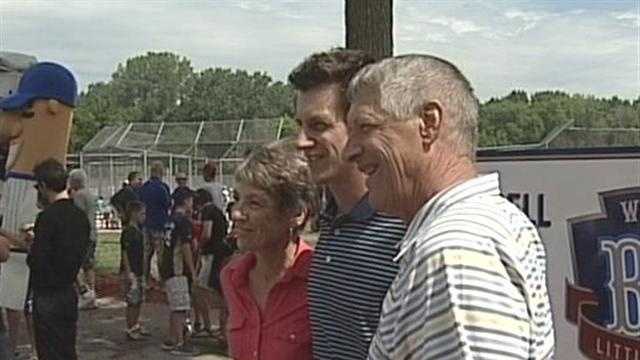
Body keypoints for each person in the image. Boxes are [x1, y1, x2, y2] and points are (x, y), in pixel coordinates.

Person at [344, 54, 556, 359]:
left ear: (428, 123)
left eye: (366, 126)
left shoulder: (455, 250)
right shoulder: (477, 227)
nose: (350, 150)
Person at [289, 48, 407, 359]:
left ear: (360, 124)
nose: (301, 141)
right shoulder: (332, 221)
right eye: (299, 125)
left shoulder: (406, 232)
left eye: (318, 126)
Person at [221, 141, 317, 360]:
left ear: (296, 214)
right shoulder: (232, 277)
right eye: (237, 199)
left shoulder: (320, 282)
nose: (236, 214)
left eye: (254, 203)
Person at [28, 158, 90, 360]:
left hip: (47, 292)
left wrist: (31, 247)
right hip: (68, 290)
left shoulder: (47, 217)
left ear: (44, 186)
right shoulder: (80, 217)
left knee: (49, 351)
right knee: (66, 347)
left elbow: (37, 260)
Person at [158, 190, 198, 356]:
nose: (192, 204)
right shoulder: (183, 222)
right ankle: (179, 342)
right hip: (177, 268)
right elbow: (185, 247)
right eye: (191, 200)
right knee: (180, 307)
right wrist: (192, 271)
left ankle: (172, 337)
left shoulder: (169, 220)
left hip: (167, 266)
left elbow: (161, 245)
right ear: (186, 201)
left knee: (176, 305)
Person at [191, 188, 230, 342]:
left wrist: (199, 246)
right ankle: (212, 324)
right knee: (207, 287)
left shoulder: (207, 212)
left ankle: (211, 324)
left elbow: (207, 233)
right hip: (221, 251)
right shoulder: (218, 211)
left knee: (201, 287)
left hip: (212, 253)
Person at [67, 168, 98, 310]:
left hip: (82, 235)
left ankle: (85, 292)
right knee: (89, 264)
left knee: (76, 264)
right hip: (92, 233)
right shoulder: (90, 194)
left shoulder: (78, 196)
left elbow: (76, 216)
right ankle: (92, 293)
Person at [119, 200, 149, 341]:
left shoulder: (138, 231)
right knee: (132, 301)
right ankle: (130, 326)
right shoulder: (128, 232)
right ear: (134, 214)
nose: (144, 216)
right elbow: (125, 253)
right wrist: (129, 272)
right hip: (131, 271)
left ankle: (135, 324)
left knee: (138, 300)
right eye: (142, 214)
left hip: (139, 270)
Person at [138, 162, 171, 287]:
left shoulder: (144, 187)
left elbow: (140, 202)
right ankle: (163, 281)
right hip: (159, 223)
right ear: (160, 172)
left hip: (146, 223)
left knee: (146, 253)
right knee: (160, 253)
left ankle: (144, 280)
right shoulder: (163, 187)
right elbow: (167, 203)